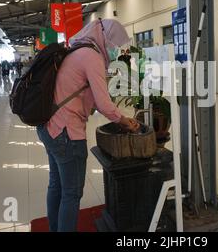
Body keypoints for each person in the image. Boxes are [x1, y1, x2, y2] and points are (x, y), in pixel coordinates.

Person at [36, 19, 140, 232]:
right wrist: (123, 120)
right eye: (114, 45)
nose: (115, 51)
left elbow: (86, 96)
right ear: (105, 38)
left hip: (49, 127)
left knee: (56, 185)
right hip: (66, 134)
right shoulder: (92, 56)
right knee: (71, 194)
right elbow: (103, 104)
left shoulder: (76, 51)